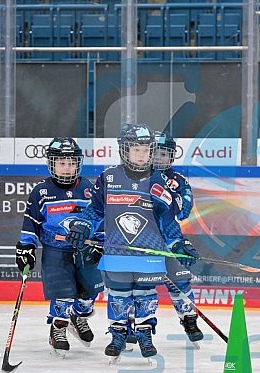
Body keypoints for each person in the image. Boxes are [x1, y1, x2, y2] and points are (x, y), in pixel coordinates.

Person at [64, 124, 200, 360]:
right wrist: (83, 226)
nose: (142, 155)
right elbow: (94, 211)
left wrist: (178, 244)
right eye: (136, 150)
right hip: (117, 253)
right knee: (118, 294)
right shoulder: (108, 177)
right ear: (124, 150)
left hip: (148, 254)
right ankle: (118, 334)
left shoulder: (158, 180)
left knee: (145, 294)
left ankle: (145, 334)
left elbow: (168, 219)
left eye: (147, 150)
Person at [15, 138, 104, 357]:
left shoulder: (88, 188)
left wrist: (99, 241)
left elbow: (98, 218)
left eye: (71, 163)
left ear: (78, 164)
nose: (67, 168)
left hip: (83, 250)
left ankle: (78, 316)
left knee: (89, 294)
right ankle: (58, 328)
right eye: (61, 163)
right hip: (55, 249)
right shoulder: (41, 192)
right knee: (63, 293)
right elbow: (31, 223)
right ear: (52, 164)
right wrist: (26, 248)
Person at [152, 130, 203, 344]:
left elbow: (183, 212)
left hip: (169, 240)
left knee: (180, 279)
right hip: (138, 240)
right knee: (136, 284)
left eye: (164, 154)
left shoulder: (179, 181)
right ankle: (130, 324)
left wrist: (167, 195)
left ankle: (188, 318)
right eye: (155, 153)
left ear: (171, 157)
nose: (158, 158)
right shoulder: (132, 177)